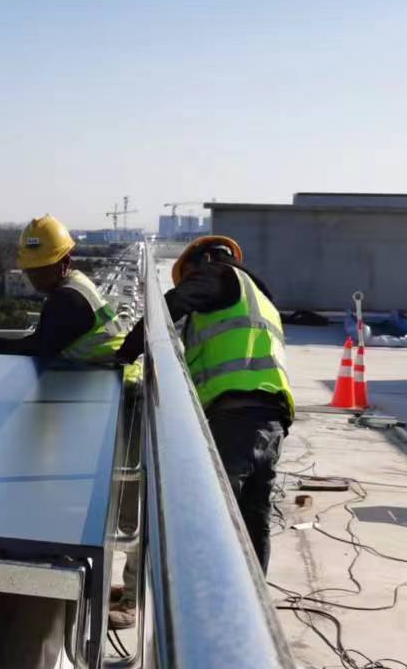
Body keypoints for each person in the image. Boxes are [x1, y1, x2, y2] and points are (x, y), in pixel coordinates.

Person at [116, 235, 295, 574]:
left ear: (205, 260)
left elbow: (170, 306)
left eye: (190, 276)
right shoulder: (262, 298)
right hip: (271, 420)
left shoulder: (219, 274)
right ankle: (252, 600)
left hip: (236, 416)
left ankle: (210, 593)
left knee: (214, 519)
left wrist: (126, 352)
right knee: (253, 518)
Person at [0, 215, 129, 363]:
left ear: (65, 262)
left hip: (118, 375)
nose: (35, 276)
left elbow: (38, 349)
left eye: (43, 268)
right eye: (30, 268)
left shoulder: (67, 298)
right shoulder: (77, 281)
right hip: (112, 370)